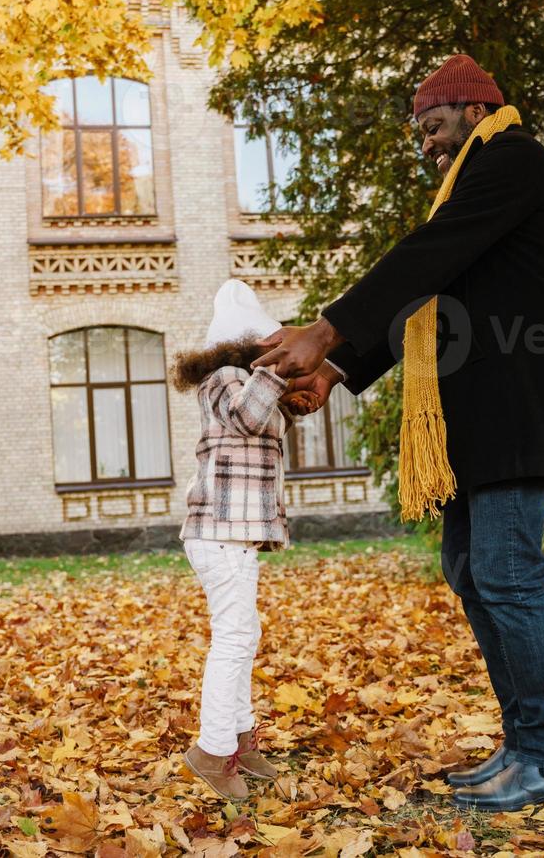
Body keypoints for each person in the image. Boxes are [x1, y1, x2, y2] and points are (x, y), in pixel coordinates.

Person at [252, 55, 544, 811]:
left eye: (431, 125)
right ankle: (526, 746)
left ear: (473, 107)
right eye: (418, 133)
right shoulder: (471, 187)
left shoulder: (513, 160)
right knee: (471, 570)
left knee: (507, 573)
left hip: (523, 407)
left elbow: (429, 256)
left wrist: (325, 331)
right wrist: (339, 370)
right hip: (482, 419)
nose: (425, 145)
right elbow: (430, 294)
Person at [170, 279, 320, 801]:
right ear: (252, 346)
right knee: (233, 638)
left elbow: (261, 437)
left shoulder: (244, 380)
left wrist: (296, 396)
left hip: (236, 534)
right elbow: (248, 416)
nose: (282, 355)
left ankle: (238, 738)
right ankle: (212, 751)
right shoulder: (225, 378)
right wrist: (278, 376)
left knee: (243, 634)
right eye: (273, 346)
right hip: (218, 531)